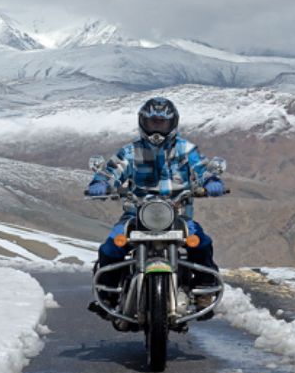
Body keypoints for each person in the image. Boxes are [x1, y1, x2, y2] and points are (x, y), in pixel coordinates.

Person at [85, 97, 224, 316]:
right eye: (152, 123)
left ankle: (204, 293)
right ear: (143, 123)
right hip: (136, 216)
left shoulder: (186, 150)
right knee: (111, 248)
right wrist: (100, 183)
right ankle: (108, 295)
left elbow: (202, 168)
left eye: (162, 123)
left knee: (202, 244)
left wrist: (211, 181)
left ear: (172, 124)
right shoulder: (131, 151)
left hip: (178, 215)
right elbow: (112, 170)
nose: (157, 128)